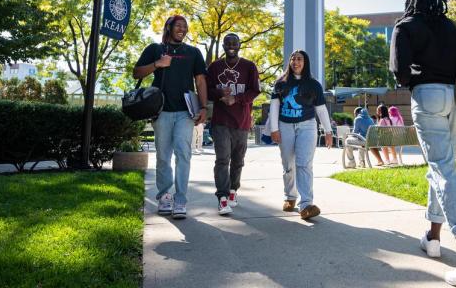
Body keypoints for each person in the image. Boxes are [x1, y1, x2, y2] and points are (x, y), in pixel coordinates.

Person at [390, 0, 456, 286]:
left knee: (443, 170)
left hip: (429, 96)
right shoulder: (453, 27)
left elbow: (399, 71)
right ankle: (433, 237)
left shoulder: (405, 25)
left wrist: (412, 78)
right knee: (442, 167)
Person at [134, 15, 208, 220]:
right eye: (178, 25)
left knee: (183, 154)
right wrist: (158, 64)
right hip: (161, 111)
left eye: (185, 26)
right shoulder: (155, 49)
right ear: (169, 28)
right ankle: (165, 196)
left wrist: (203, 107)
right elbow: (137, 73)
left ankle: (181, 200)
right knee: (163, 156)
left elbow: (200, 81)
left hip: (185, 112)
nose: (182, 29)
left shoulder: (193, 52)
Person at [269, 50, 333, 220]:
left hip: (308, 126)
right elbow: (274, 107)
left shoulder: (314, 85)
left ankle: (306, 205)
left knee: (304, 164)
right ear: (289, 62)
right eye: (293, 59)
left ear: (305, 63)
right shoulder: (280, 83)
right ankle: (290, 196)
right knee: (288, 164)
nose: (296, 62)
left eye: (299, 59)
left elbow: (321, 109)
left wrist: (328, 131)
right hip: (285, 126)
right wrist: (274, 129)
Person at [207, 33, 261, 215]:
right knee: (222, 159)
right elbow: (206, 91)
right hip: (221, 121)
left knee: (238, 161)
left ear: (239, 45)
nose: (231, 45)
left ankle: (232, 191)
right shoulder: (215, 67)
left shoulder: (249, 66)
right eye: (227, 43)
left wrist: (236, 98)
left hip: (242, 122)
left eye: (234, 43)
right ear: (223, 46)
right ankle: (222, 198)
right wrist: (219, 93)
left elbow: (255, 90)